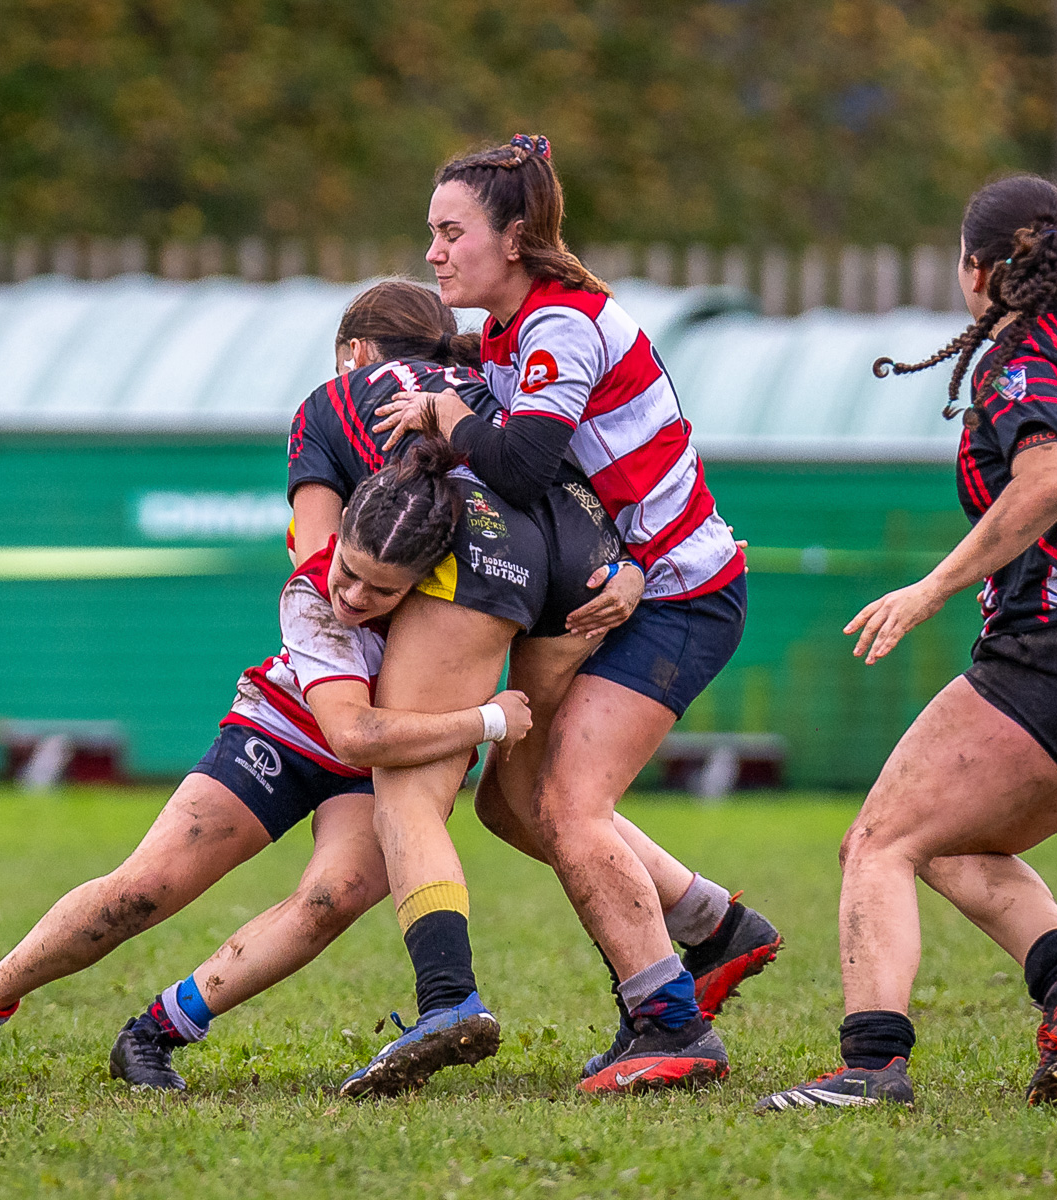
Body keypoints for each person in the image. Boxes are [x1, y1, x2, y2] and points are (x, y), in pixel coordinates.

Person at [755, 175, 1057, 1112]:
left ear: (976, 268)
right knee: (947, 842)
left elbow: (1050, 477)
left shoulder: (1017, 356)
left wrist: (935, 586)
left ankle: (870, 1066)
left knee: (878, 842)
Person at [0, 435, 534, 1092]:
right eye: (348, 572)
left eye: (380, 591)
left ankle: (153, 1033)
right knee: (141, 890)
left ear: (422, 584)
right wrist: (491, 720)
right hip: (287, 730)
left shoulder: (456, 602)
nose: (352, 597)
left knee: (332, 898)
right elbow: (353, 733)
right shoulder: (309, 591)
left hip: (378, 766)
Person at [289, 279, 782, 1097]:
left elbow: (321, 554)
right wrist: (622, 566)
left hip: (477, 550)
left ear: (355, 351)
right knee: (523, 798)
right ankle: (712, 924)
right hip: (581, 553)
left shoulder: (330, 399)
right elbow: (560, 463)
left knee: (409, 790)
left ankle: (448, 1000)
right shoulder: (484, 376)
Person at [372, 135, 759, 1093]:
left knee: (568, 807)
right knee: (509, 804)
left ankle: (672, 1024)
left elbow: (525, 466)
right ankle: (711, 929)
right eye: (431, 233)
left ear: (512, 239)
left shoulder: (560, 326)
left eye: (450, 233)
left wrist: (444, 415)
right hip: (640, 586)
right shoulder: (511, 328)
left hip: (684, 600)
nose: (433, 254)